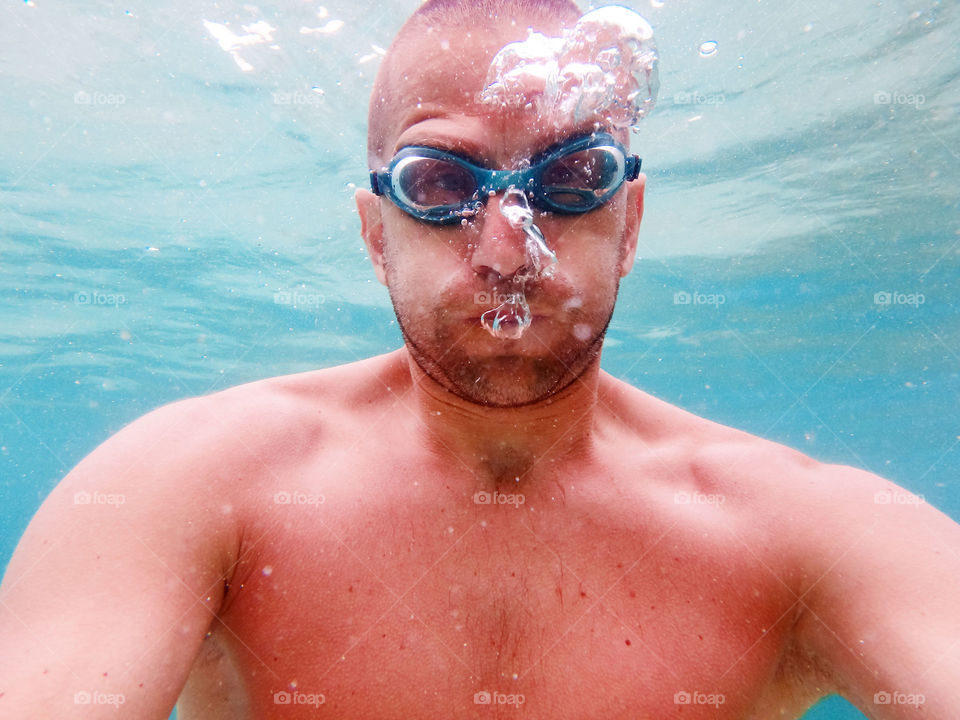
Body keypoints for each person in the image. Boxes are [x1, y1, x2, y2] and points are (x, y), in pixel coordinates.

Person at [2, 1, 958, 718]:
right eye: (441, 183)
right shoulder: (191, 482)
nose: (507, 249)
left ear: (629, 223)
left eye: (573, 179)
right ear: (377, 235)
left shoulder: (799, 528)